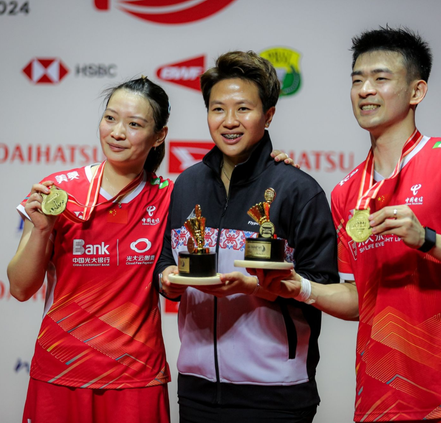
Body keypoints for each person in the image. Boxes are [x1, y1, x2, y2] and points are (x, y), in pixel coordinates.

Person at [259, 26, 441, 423]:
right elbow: (359, 300)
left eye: (381, 78)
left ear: (417, 92)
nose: (364, 90)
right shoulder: (347, 192)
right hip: (377, 399)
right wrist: (300, 288)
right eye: (357, 80)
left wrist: (426, 239)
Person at [154, 50, 338, 423]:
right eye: (218, 109)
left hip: (276, 393)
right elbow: (166, 262)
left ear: (268, 115)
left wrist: (259, 287)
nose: (229, 121)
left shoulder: (297, 189)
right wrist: (168, 282)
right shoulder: (186, 184)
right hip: (197, 388)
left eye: (243, 109)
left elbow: (321, 287)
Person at [7, 77, 174, 423]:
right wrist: (41, 231)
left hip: (136, 377)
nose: (117, 132)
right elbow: (21, 288)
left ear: (159, 136)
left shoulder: (171, 196)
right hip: (60, 369)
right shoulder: (59, 191)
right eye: (110, 118)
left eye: (134, 124)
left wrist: (275, 162)